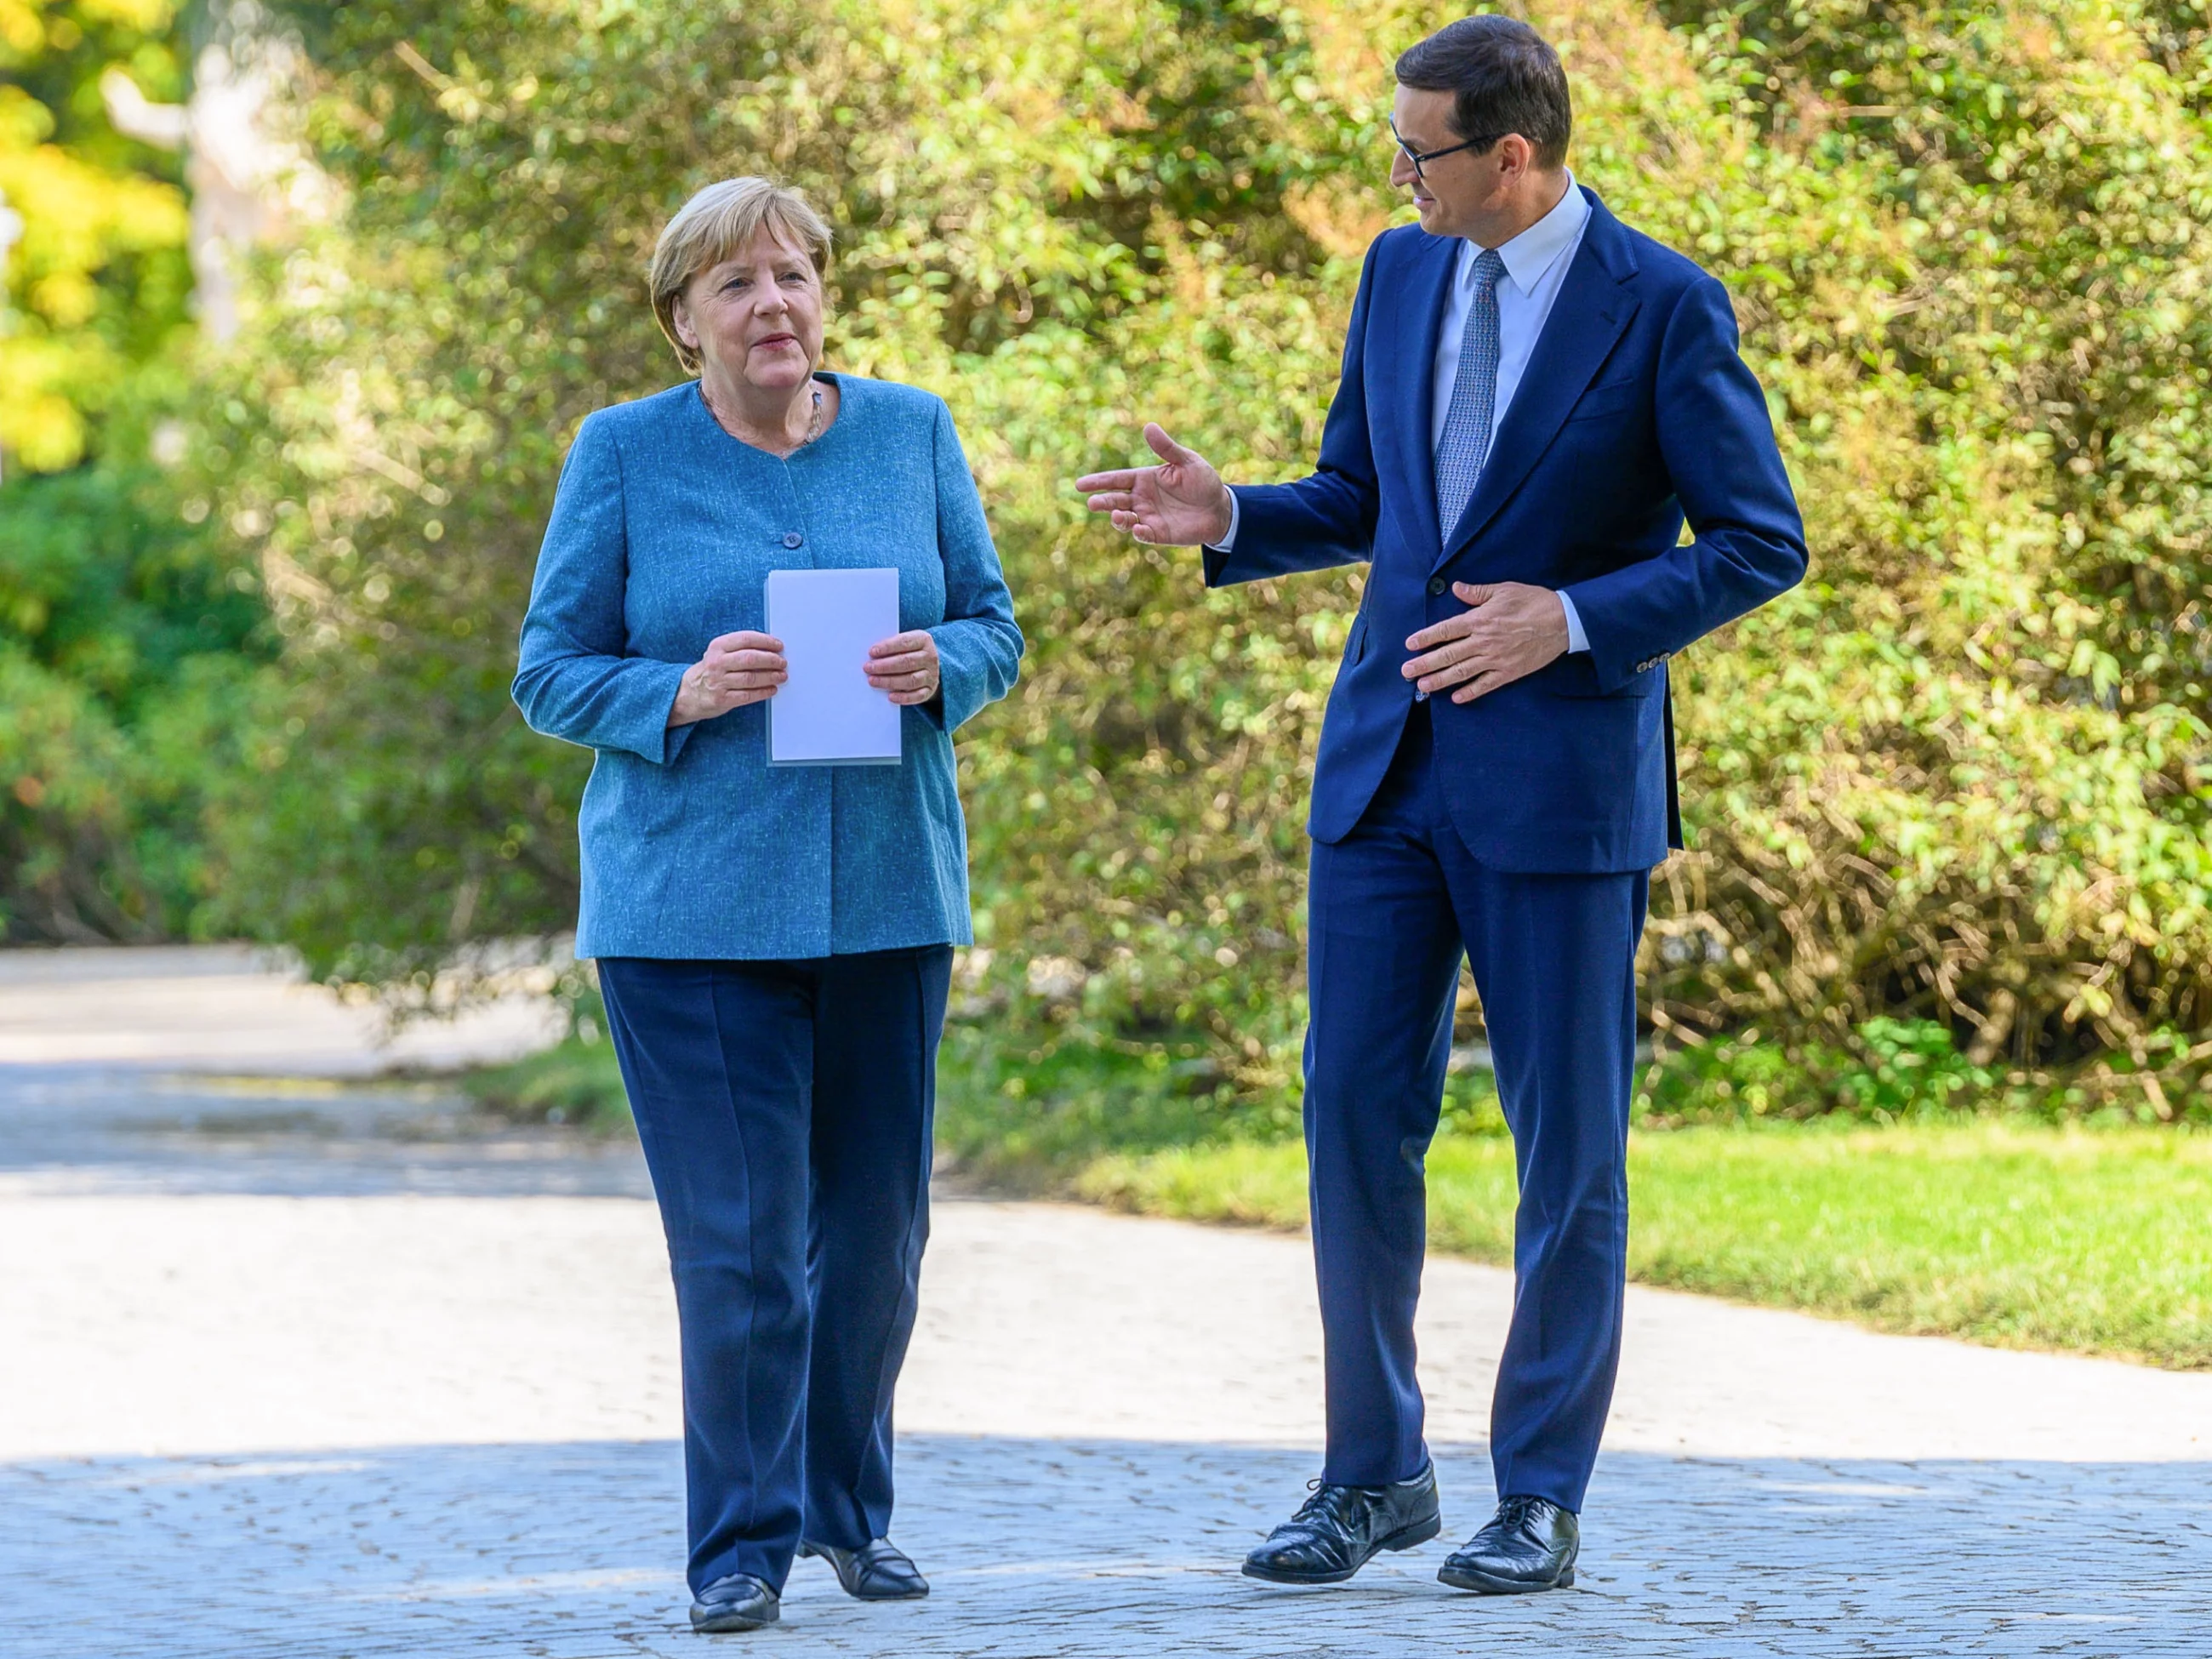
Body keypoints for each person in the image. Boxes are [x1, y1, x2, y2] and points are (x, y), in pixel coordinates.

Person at [1077, 15, 1804, 1598]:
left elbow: (1759, 542)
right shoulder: (1400, 273)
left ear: (1514, 154)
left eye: (1421, 151)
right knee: (1350, 1120)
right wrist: (1233, 517)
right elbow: (1362, 497)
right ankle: (1375, 1473)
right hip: (1383, 775)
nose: (1396, 173)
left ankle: (1537, 1493)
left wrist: (1577, 616)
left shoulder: (1664, 307)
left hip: (1559, 788)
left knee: (1570, 1149)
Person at [513, 176, 1023, 1633]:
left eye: (794, 274)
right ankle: (740, 1542)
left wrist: (949, 667)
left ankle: (851, 1512)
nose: (774, 305)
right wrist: (674, 688)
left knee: (873, 1236)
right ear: (685, 320)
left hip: (887, 892)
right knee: (741, 1241)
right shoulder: (621, 454)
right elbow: (547, 668)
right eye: (736, 285)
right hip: (690, 913)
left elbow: (995, 618)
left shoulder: (913, 431)